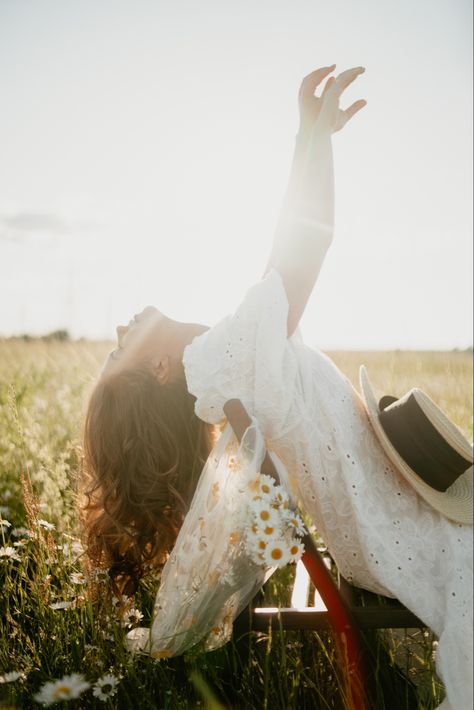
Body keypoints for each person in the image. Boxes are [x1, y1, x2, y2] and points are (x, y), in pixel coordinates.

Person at [81, 66, 472, 710]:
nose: (122, 326)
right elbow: (302, 250)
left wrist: (308, 141)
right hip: (403, 535)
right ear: (158, 372)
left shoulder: (228, 362)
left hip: (392, 526)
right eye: (121, 348)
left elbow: (280, 258)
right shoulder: (223, 362)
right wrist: (315, 142)